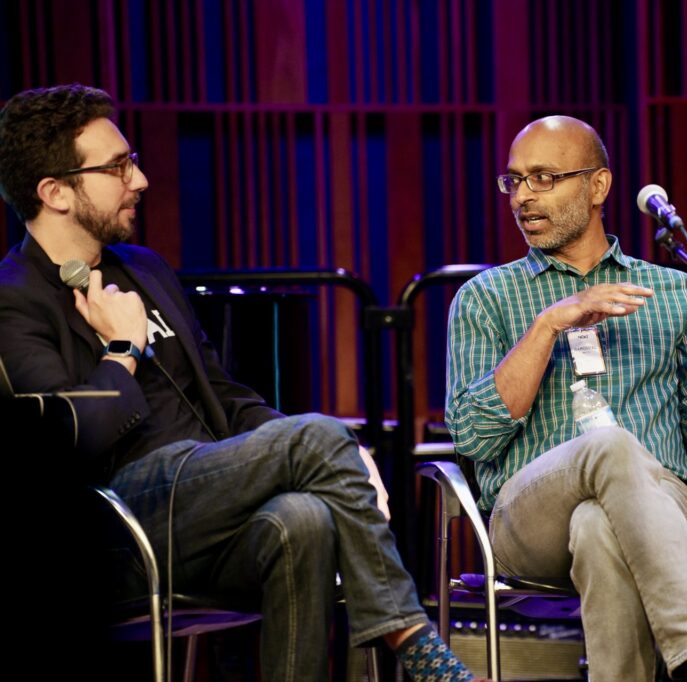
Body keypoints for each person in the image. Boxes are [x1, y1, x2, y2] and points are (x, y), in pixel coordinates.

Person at [0, 84, 483, 682]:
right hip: (118, 526)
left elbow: (225, 397)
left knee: (302, 520)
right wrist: (122, 348)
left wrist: (331, 455)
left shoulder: (144, 269)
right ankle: (409, 636)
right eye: (118, 166)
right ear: (55, 192)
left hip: (204, 501)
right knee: (323, 437)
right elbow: (63, 448)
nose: (141, 178)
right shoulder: (15, 299)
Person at [444, 115, 687, 682]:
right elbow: (473, 436)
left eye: (544, 178)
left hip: (663, 507)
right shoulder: (485, 297)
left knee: (598, 528)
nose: (522, 196)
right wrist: (547, 326)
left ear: (598, 187)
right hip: (530, 518)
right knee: (610, 445)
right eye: (514, 180)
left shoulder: (673, 290)